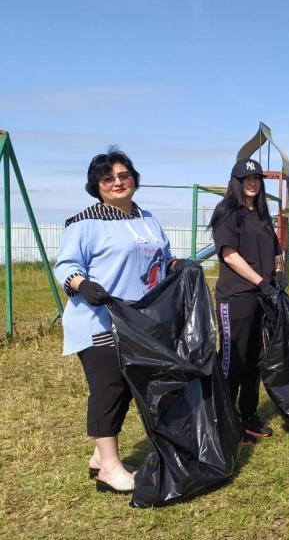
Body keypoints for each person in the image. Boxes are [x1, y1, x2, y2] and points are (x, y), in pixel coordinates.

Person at [55, 149, 176, 494]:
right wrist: (82, 284)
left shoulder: (147, 218)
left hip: (138, 321)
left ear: (134, 178)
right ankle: (109, 468)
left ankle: (99, 456)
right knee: (108, 390)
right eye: (108, 178)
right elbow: (65, 265)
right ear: (96, 185)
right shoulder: (84, 223)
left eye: (124, 175)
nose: (118, 182)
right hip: (99, 319)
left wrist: (175, 266)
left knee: (127, 388)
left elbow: (160, 258)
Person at [210, 158, 283, 443]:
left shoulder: (262, 215)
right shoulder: (227, 213)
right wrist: (260, 281)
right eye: (246, 179)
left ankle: (248, 416)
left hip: (262, 297)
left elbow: (276, 249)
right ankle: (223, 421)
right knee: (232, 360)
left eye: (256, 179)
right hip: (236, 297)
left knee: (256, 359)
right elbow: (229, 254)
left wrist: (277, 274)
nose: (252, 183)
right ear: (236, 182)